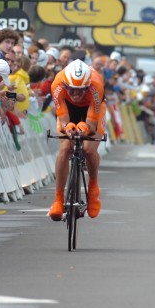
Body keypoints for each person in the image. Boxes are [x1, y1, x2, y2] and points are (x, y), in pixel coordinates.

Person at [49, 59, 106, 220]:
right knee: (65, 148)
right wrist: (68, 127)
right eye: (72, 90)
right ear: (66, 85)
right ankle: (58, 200)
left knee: (88, 149)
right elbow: (63, 117)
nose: (76, 94)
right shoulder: (57, 85)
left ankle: (93, 188)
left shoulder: (96, 86)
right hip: (68, 108)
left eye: (81, 90)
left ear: (88, 86)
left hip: (92, 108)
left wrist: (85, 127)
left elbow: (92, 124)